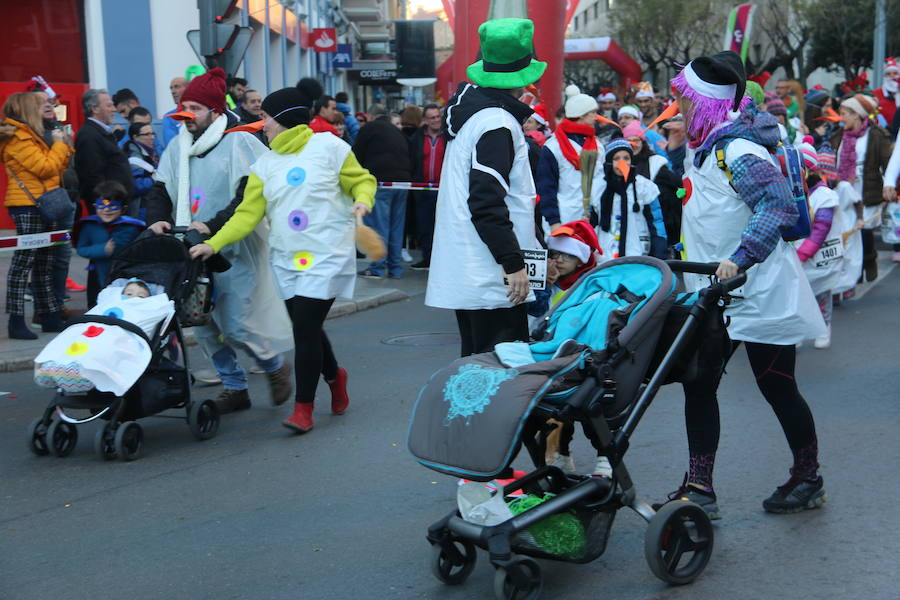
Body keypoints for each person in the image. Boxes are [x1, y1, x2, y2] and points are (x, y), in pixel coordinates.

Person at [661, 50, 827, 517]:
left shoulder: (738, 151)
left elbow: (777, 206)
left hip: (760, 291)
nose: (678, 107)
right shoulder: (702, 146)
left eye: (684, 99)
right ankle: (700, 488)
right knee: (698, 383)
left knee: (777, 385)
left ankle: (808, 476)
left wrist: (740, 257)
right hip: (714, 293)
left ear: (707, 102)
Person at [189, 83, 377, 434]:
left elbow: (362, 180)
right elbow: (246, 215)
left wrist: (363, 199)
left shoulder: (331, 147)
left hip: (327, 254)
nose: (263, 125)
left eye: (266, 118)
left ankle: (303, 409)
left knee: (305, 327)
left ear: (286, 119)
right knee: (308, 327)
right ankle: (335, 376)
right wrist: (212, 244)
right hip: (287, 259)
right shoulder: (266, 164)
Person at [143, 68, 293, 413]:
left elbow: (249, 196)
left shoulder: (239, 141)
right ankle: (234, 387)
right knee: (202, 322)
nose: (188, 115)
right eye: (185, 107)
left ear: (214, 110)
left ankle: (274, 366)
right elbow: (160, 188)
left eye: (195, 108)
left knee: (238, 322)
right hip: (190, 247)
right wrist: (157, 220)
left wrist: (211, 225)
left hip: (235, 247)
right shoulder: (179, 144)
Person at [425, 17, 544, 357]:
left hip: (477, 268)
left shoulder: (479, 116)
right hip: (491, 272)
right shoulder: (497, 123)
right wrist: (513, 263)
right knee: (500, 379)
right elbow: (486, 202)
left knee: (477, 374)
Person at [535, 221, 613, 477]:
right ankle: (562, 455)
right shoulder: (550, 285)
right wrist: (546, 286)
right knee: (557, 413)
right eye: (553, 254)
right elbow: (536, 315)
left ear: (580, 259)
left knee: (593, 410)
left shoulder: (595, 288)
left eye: (565, 255)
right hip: (554, 356)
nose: (556, 260)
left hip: (588, 356)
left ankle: (605, 457)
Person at [1, 92, 73, 339]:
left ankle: (49, 315)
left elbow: (58, 168)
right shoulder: (18, 138)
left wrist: (60, 144)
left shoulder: (34, 135)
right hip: (27, 204)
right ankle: (16, 320)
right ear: (27, 109)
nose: (49, 106)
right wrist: (60, 145)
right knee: (24, 262)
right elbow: (45, 168)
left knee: (45, 262)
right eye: (41, 104)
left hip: (45, 203)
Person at [829, 93, 892, 282]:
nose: (842, 117)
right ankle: (854, 270)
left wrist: (890, 185)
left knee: (864, 228)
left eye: (845, 113)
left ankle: (869, 259)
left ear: (856, 114)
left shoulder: (876, 135)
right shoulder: (837, 136)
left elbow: (888, 162)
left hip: (867, 189)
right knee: (848, 229)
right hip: (844, 191)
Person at [353, 103, 412, 279]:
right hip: (403, 183)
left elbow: (356, 156)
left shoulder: (369, 129)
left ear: (370, 117)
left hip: (381, 182)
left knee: (379, 225)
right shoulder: (395, 131)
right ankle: (395, 268)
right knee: (396, 226)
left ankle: (377, 267)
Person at [793, 144, 844, 349]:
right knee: (798, 296)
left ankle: (824, 327)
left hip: (817, 255)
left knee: (821, 293)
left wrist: (804, 252)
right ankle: (798, 331)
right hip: (798, 254)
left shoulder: (824, 195)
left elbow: (821, 227)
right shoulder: (795, 190)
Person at [536, 84, 604, 229]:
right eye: (592, 113)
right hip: (563, 220)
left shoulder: (598, 146)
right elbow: (546, 187)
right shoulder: (553, 147)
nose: (596, 117)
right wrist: (554, 221)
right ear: (581, 115)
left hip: (593, 221)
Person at [75, 181, 145, 307]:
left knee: (123, 302)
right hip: (97, 272)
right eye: (101, 205)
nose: (106, 209)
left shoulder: (132, 227)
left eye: (113, 206)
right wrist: (102, 250)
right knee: (96, 303)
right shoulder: (89, 225)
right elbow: (81, 248)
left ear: (123, 209)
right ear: (94, 206)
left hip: (124, 273)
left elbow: (140, 249)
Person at [590, 138, 662, 259]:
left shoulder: (643, 186)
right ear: (609, 162)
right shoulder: (598, 187)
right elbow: (593, 219)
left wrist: (660, 251)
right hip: (606, 253)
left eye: (626, 158)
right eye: (616, 159)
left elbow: (656, 220)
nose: (622, 162)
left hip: (636, 252)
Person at [624, 120, 681, 253]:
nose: (633, 144)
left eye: (637, 140)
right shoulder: (619, 165)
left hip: (656, 222)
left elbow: (676, 186)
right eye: (629, 140)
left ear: (643, 143)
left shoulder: (656, 163)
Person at [74, 88, 135, 211]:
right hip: (109, 209)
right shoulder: (89, 136)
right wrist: (106, 206)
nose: (114, 109)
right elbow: (92, 177)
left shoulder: (99, 133)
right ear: (95, 109)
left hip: (116, 205)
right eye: (109, 105)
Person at [407, 103, 446, 270]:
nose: (436, 120)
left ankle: (443, 261)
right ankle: (427, 258)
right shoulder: (417, 138)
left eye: (438, 116)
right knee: (425, 226)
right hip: (422, 190)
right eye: (432, 118)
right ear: (425, 120)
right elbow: (412, 161)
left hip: (443, 190)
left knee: (443, 226)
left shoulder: (448, 136)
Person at [122, 121, 159, 220]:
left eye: (152, 133)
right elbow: (136, 185)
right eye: (147, 134)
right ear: (135, 137)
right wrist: (154, 179)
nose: (152, 137)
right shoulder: (134, 157)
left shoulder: (147, 152)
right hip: (140, 208)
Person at [873, 58, 900, 129]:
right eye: (888, 74)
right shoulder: (876, 93)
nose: (892, 76)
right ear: (884, 76)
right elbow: (872, 115)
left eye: (895, 73)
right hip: (882, 132)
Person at [162, 76, 188, 148]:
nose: (173, 91)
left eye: (177, 87)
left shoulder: (200, 112)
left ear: (188, 89)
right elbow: (171, 144)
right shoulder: (168, 117)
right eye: (171, 88)